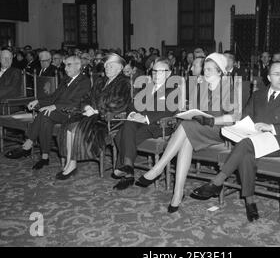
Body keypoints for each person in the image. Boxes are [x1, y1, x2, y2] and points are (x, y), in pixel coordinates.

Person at [191, 62, 280, 222]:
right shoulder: (258, 95)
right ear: (268, 77)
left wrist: (271, 127)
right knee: (245, 152)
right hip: (252, 139)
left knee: (245, 144)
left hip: (278, 143)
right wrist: (238, 127)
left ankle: (217, 182)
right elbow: (246, 116)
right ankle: (250, 201)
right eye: (277, 74)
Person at [135, 53, 242, 212]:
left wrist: (212, 120)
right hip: (197, 129)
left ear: (220, 72)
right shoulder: (201, 87)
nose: (206, 72)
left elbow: (234, 117)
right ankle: (177, 193)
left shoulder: (228, 87)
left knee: (186, 126)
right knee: (186, 139)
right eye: (204, 69)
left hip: (220, 131)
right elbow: (191, 110)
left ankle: (159, 168)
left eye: (210, 70)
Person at [5, 56, 91, 169]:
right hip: (58, 112)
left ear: (78, 66)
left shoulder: (84, 81)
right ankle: (45, 157)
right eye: (65, 65)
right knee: (45, 119)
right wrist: (38, 101)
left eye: (69, 65)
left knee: (45, 114)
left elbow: (76, 102)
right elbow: (53, 97)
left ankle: (28, 144)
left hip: (73, 113)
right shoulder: (66, 79)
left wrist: (54, 106)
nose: (65, 68)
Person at [56, 53, 131, 180]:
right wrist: (86, 107)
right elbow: (87, 97)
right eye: (106, 66)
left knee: (76, 127)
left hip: (109, 119)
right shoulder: (100, 81)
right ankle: (70, 161)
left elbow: (118, 103)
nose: (107, 68)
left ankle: (72, 163)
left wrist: (96, 111)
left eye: (111, 66)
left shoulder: (123, 82)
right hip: (93, 114)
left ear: (119, 68)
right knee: (68, 125)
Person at [112, 58, 178, 190]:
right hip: (139, 122)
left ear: (169, 74)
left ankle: (127, 173)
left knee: (120, 136)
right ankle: (129, 167)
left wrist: (145, 118)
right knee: (128, 125)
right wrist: (132, 114)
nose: (156, 74)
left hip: (159, 126)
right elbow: (132, 105)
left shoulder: (173, 90)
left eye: (161, 71)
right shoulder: (147, 87)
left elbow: (168, 111)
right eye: (154, 71)